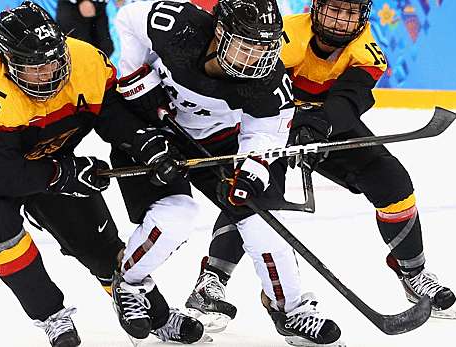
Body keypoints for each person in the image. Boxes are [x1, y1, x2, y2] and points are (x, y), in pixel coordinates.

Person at [185, 0, 456, 338]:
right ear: (316, 7)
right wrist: (291, 125)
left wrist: (320, 127)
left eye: (349, 13)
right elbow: (255, 90)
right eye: (334, 9)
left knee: (392, 182)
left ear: (363, 17)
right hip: (267, 123)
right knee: (251, 193)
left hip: (322, 128)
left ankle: (413, 272)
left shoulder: (367, 51)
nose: (341, 20)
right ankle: (211, 280)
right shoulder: (284, 36)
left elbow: (349, 100)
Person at [109, 0, 344, 345]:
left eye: (264, 48)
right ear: (219, 33)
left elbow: (265, 133)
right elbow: (128, 18)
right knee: (176, 217)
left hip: (217, 143)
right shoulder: (178, 26)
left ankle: (289, 309)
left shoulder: (269, 82)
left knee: (261, 221)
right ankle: (129, 284)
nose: (256, 60)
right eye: (247, 47)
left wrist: (249, 174)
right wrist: (134, 75)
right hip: (150, 136)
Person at [0, 2, 135, 346]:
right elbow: (3, 178)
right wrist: (65, 173)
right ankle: (51, 315)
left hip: (44, 158)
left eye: (52, 60)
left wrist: (143, 142)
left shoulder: (86, 61)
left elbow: (113, 116)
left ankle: (148, 307)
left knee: (92, 235)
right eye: (33, 67)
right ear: (9, 63)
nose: (47, 72)